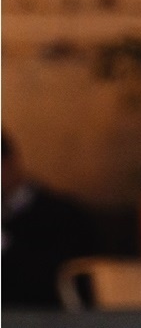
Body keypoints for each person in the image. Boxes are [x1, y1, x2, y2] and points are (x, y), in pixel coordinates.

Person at [2, 130, 102, 307]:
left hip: (51, 325)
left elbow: (67, 285)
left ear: (8, 163)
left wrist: (7, 246)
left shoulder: (63, 215)